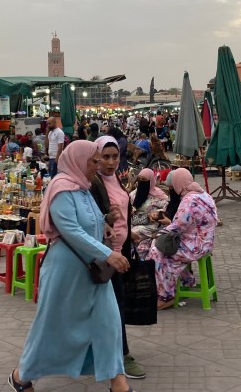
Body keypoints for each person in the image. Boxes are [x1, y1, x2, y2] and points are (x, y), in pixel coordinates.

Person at [8, 141, 133, 392]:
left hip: (92, 271)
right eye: (94, 161)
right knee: (54, 326)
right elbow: (71, 230)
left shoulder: (83, 187)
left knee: (108, 323)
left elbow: (89, 222)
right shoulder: (61, 188)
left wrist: (105, 223)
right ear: (78, 160)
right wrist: (108, 253)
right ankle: (21, 375)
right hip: (67, 271)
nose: (98, 166)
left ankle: (118, 382)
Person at [92, 136, 146, 381]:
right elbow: (91, 220)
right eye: (106, 157)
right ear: (96, 157)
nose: (111, 162)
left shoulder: (114, 179)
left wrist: (129, 233)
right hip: (105, 255)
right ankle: (122, 355)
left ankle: (110, 352)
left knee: (115, 304)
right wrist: (107, 221)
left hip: (121, 250)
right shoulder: (92, 183)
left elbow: (123, 211)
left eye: (115, 156)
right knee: (114, 305)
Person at [147, 168, 218, 310]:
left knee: (155, 252)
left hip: (195, 246)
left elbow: (178, 226)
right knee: (163, 251)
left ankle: (165, 296)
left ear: (179, 183)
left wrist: (159, 233)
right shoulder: (204, 195)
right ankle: (186, 280)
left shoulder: (189, 200)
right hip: (206, 243)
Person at [129, 168, 168, 260]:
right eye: (140, 179)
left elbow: (167, 206)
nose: (142, 182)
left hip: (150, 226)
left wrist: (157, 213)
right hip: (134, 222)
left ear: (150, 181)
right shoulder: (134, 194)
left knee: (133, 234)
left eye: (145, 180)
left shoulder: (158, 195)